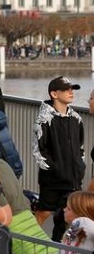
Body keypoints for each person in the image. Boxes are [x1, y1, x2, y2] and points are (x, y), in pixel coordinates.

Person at [33, 76, 85, 240]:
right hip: (52, 180)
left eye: (72, 89)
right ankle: (25, 243)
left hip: (73, 180)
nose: (71, 92)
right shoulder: (44, 118)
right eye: (66, 89)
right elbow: (39, 151)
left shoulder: (76, 118)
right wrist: (56, 170)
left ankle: (58, 249)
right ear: (54, 94)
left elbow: (80, 147)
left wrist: (79, 167)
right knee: (43, 213)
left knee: (67, 218)